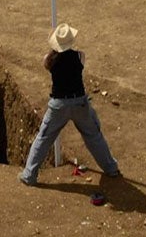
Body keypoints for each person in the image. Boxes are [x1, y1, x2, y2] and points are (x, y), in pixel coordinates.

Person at [19, 25, 121, 186]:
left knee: (44, 138)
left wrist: (53, 48)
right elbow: (78, 60)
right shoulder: (80, 56)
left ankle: (29, 174)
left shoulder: (50, 60)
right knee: (94, 135)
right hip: (79, 102)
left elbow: (45, 62)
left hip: (58, 105)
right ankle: (111, 168)